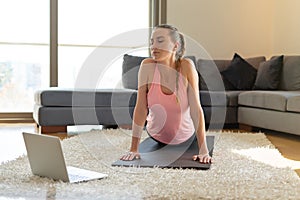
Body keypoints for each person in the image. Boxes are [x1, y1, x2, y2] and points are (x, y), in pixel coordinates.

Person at [120, 24, 212, 164]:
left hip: (186, 138)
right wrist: (134, 148)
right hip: (156, 137)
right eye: (152, 42)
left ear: (175, 46)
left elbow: (195, 108)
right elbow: (140, 108)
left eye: (160, 41)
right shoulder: (147, 66)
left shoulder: (186, 66)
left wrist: (203, 149)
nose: (153, 46)